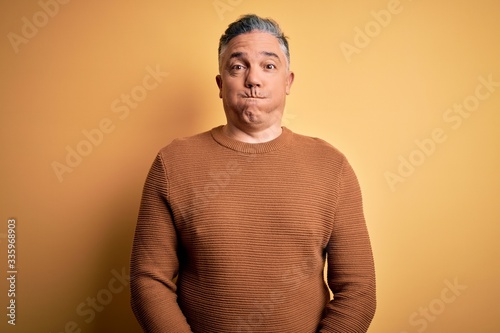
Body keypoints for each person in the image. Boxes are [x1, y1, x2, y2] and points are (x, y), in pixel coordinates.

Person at [130, 14, 376, 332]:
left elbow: (358, 291)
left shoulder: (331, 167)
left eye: (268, 66)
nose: (253, 79)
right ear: (221, 84)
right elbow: (149, 281)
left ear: (288, 82)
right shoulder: (173, 163)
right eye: (238, 66)